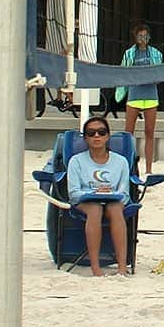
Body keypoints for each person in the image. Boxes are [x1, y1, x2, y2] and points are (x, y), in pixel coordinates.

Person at [67, 116, 131, 277]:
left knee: (116, 209)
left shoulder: (121, 162)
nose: (97, 136)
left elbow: (124, 193)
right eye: (91, 133)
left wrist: (110, 195)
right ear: (85, 138)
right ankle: (95, 267)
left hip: (113, 200)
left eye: (101, 132)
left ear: (108, 136)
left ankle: (122, 267)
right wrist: (93, 194)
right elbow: (73, 193)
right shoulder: (76, 161)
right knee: (95, 209)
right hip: (85, 201)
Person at [116, 24, 163, 174]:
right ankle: (127, 168)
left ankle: (148, 170)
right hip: (134, 95)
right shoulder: (129, 54)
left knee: (149, 132)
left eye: (145, 36)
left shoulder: (156, 54)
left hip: (150, 95)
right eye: (140, 36)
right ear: (136, 38)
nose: (143, 39)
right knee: (128, 133)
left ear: (149, 37)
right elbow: (123, 73)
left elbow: (159, 74)